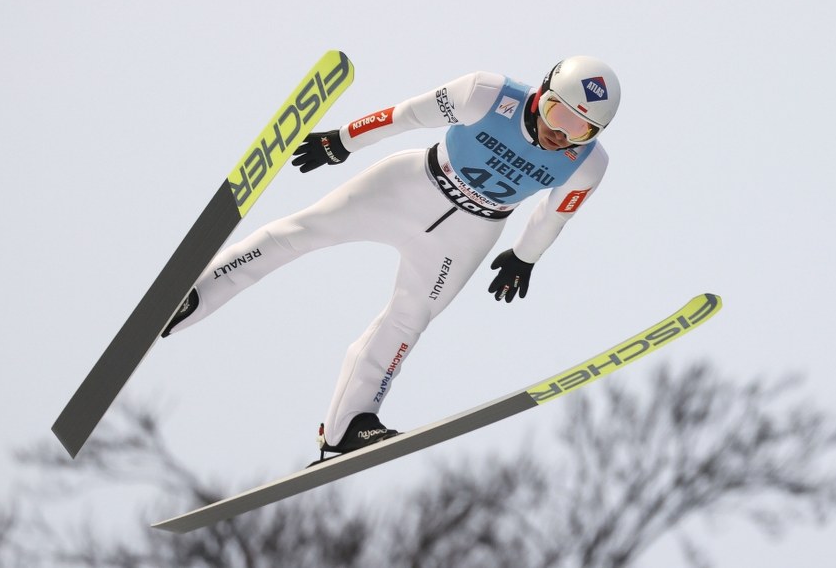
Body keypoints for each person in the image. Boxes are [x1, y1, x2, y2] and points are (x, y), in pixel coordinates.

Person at [162, 55, 621, 459]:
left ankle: (349, 427)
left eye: (580, 129)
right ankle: (194, 293)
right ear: (541, 93)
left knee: (408, 321)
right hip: (408, 186)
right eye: (558, 113)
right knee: (301, 233)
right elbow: (407, 115)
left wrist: (525, 256)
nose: (559, 134)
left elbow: (554, 216)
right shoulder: (487, 93)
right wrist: (343, 140)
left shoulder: (587, 164)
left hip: (468, 234)